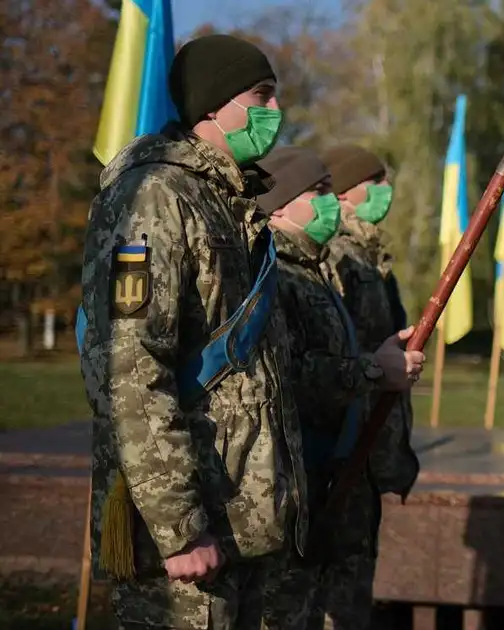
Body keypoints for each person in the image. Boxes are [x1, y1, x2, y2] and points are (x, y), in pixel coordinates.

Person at [78, 34, 306, 629]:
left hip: (242, 520)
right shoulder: (157, 196)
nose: (275, 113)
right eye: (261, 96)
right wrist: (179, 526)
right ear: (212, 103)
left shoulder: (229, 201)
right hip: (188, 540)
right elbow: (130, 367)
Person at [253, 146, 425, 629]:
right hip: (297, 476)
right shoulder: (275, 272)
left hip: (332, 467)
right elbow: (290, 374)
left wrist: (377, 357)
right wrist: (371, 369)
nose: (333, 202)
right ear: (283, 203)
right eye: (320, 192)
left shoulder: (315, 269)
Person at [317, 143, 419, 629]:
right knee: (335, 591)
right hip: (341, 449)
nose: (385, 191)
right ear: (343, 191)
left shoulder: (371, 257)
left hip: (367, 452)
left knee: (356, 583)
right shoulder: (338, 256)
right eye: (373, 182)